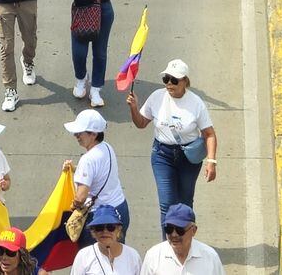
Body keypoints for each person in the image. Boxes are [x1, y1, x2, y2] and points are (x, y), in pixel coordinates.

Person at [128, 59, 218, 222]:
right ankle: (168, 245)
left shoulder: (196, 103)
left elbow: (209, 134)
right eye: (166, 79)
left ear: (184, 81)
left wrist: (211, 161)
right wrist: (134, 108)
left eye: (174, 80)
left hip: (188, 158)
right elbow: (141, 123)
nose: (169, 83)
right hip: (162, 155)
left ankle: (185, 241)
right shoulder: (156, 97)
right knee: (166, 206)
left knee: (185, 205)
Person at [64, 110, 128, 232]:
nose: (76, 135)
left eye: (79, 133)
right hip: (120, 210)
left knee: (94, 251)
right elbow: (98, 172)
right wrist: (75, 169)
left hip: (100, 218)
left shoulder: (87, 160)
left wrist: (71, 207)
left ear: (93, 134)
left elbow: (80, 198)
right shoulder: (107, 147)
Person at [138, 205, 224, 275]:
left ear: (193, 230)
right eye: (169, 229)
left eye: (180, 230)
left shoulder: (210, 257)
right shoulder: (153, 256)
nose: (174, 235)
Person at [69, 207, 140, 275]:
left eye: (110, 227)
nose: (105, 231)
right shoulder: (83, 256)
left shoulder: (132, 255)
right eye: (99, 228)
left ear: (119, 229)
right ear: (93, 232)